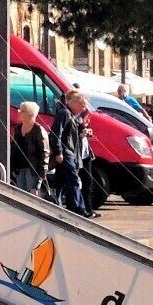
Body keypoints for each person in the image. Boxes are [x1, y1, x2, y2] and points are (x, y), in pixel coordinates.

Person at [49, 88, 94, 216]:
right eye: (82, 105)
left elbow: (70, 134)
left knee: (61, 181)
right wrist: (58, 152)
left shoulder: (72, 116)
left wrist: (82, 129)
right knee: (73, 180)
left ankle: (59, 206)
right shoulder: (64, 113)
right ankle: (80, 209)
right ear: (74, 103)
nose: (84, 108)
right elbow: (56, 133)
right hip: (66, 152)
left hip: (70, 153)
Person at [8, 100, 48, 194]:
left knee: (32, 195)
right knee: (20, 194)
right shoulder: (18, 128)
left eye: (22, 111)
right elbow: (14, 148)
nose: (18, 112)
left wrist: (41, 174)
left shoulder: (39, 130)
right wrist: (12, 167)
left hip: (33, 169)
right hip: (19, 168)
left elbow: (44, 153)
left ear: (30, 114)